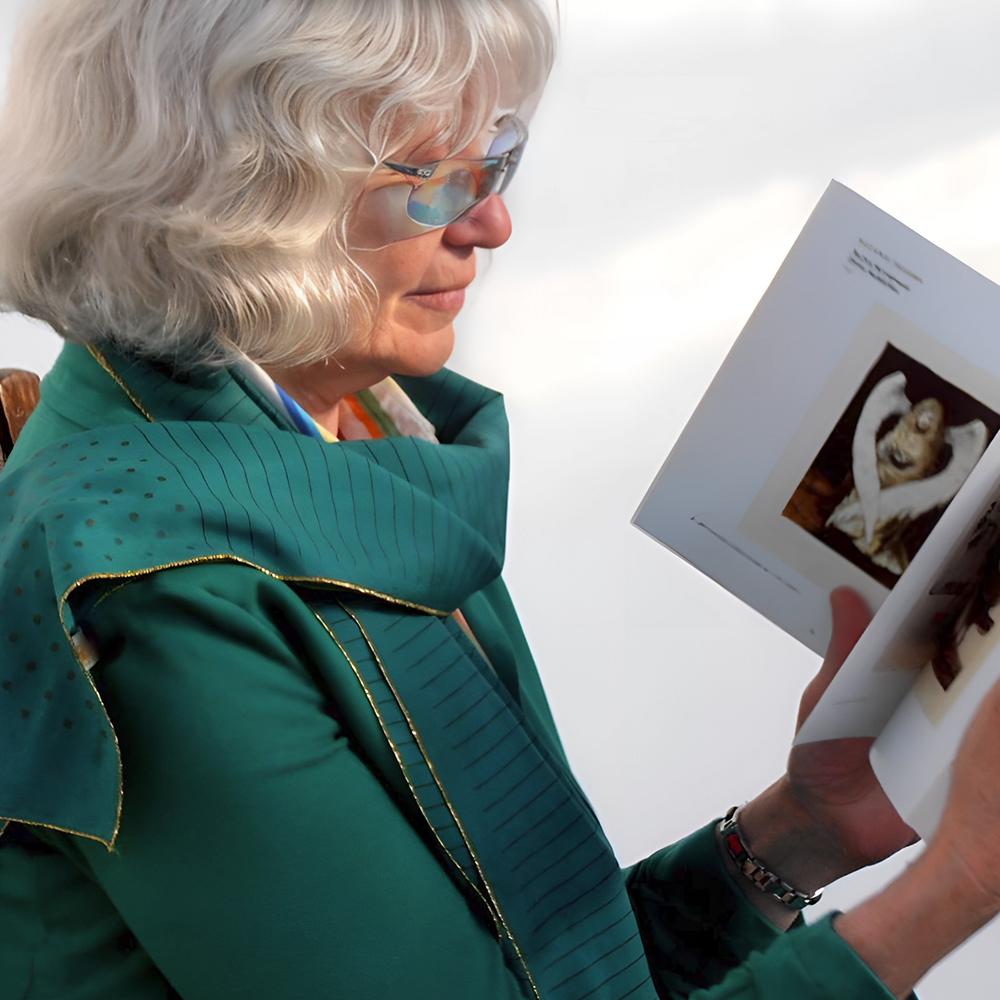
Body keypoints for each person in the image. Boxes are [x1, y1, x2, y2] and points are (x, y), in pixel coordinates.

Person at [0, 2, 999, 999]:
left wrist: (803, 829)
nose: (492, 222)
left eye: (494, 160)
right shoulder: (151, 589)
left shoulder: (360, 429)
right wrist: (950, 888)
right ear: (230, 191)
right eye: (432, 180)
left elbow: (549, 972)